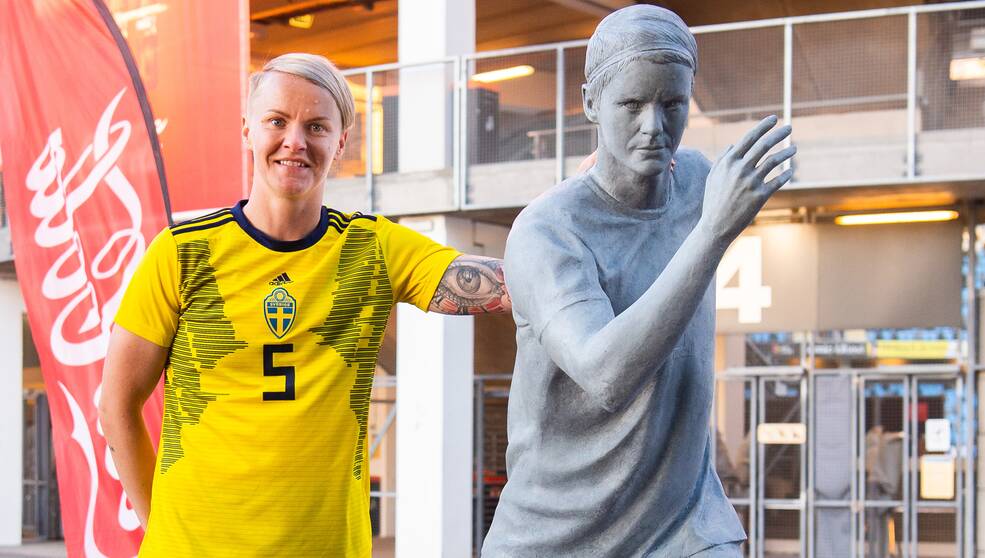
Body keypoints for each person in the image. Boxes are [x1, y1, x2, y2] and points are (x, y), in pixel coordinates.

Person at [99, 52, 510, 557]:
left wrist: (575, 214)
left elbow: (500, 283)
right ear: (247, 130)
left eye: (316, 126)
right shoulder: (181, 252)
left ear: (340, 143)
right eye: (277, 121)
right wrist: (161, 528)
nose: (295, 141)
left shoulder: (372, 248)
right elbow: (117, 405)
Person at [482, 5, 795, 557]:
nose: (654, 127)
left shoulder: (698, 183)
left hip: (683, 523)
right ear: (590, 104)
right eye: (631, 105)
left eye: (672, 104)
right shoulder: (547, 231)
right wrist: (713, 232)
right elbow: (605, 374)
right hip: (559, 533)